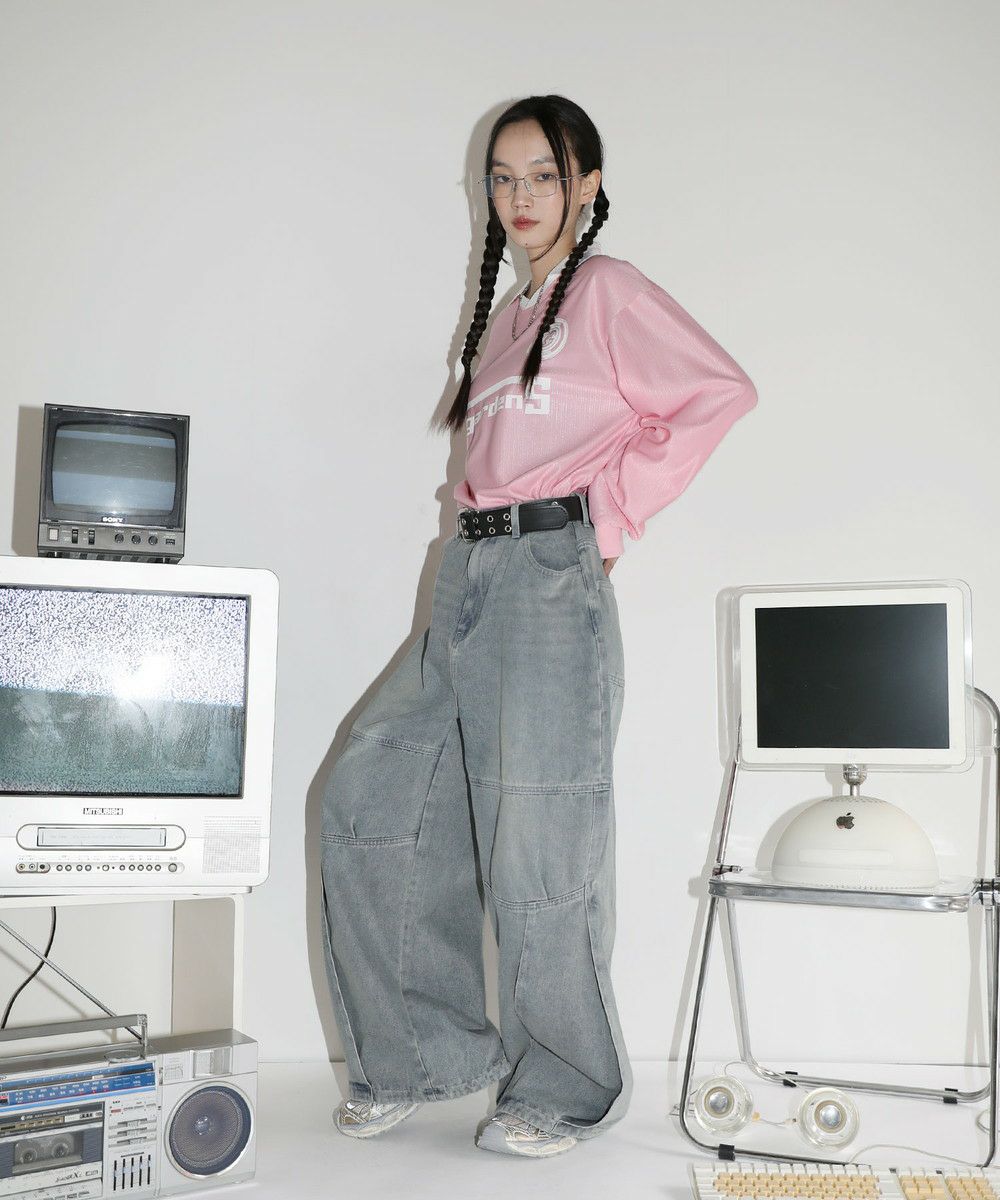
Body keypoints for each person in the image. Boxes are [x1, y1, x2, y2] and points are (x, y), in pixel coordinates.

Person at [319, 93, 758, 1159]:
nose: (521, 197)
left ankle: (563, 1088)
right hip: (468, 572)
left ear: (587, 187)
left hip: (548, 582)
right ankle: (423, 1056)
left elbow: (716, 392)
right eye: (503, 178)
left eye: (545, 177)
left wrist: (607, 518)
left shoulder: (607, 290)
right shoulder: (510, 316)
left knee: (539, 837)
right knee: (371, 793)